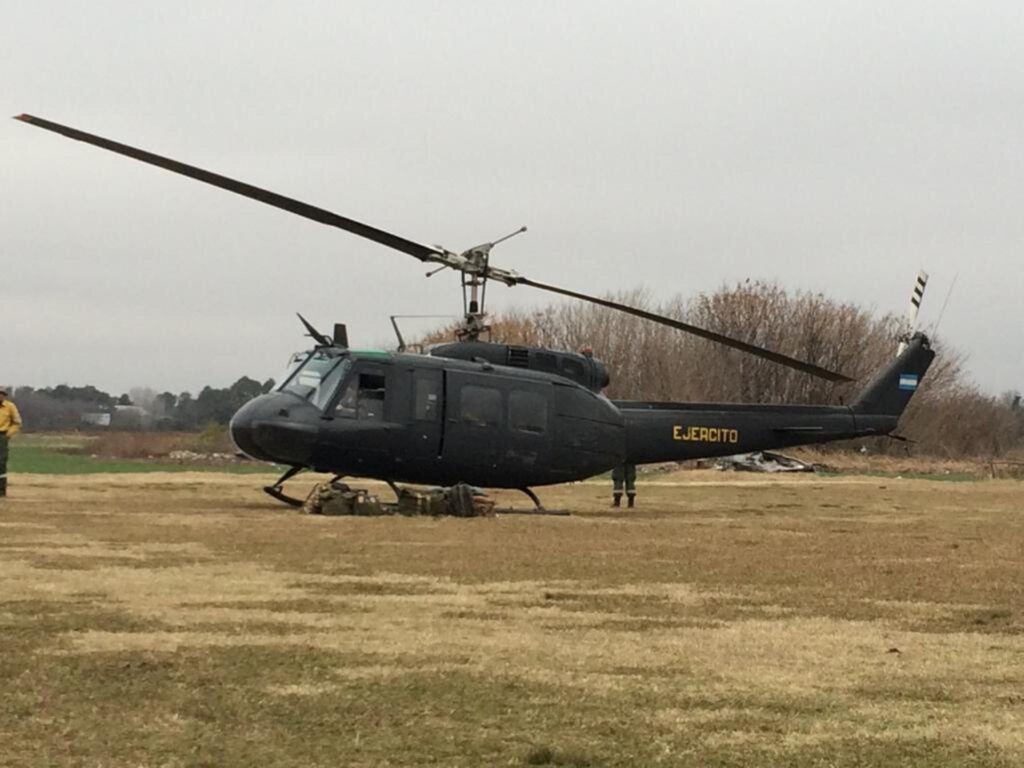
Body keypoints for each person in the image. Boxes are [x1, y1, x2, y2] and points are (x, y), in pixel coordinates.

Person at [0, 388, 23, 498]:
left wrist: (8, 435)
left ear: (4, 396)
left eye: (2, 394)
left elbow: (17, 422)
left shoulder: (10, 407)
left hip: (2, 435)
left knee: (1, 462)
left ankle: (1, 490)